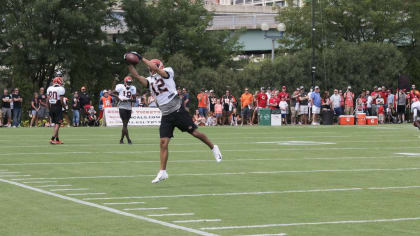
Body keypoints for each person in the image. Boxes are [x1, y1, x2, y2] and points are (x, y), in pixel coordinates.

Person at [126, 53, 222, 183]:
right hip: (166, 114)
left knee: (195, 132)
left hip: (177, 110)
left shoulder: (167, 72)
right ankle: (163, 172)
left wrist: (141, 58)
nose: (151, 69)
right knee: (163, 143)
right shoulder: (150, 81)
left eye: (153, 67)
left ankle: (213, 147)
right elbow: (137, 76)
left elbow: (158, 70)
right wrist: (129, 63)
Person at [112, 76, 136, 144]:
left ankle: (121, 139)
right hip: (122, 106)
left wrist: (128, 99)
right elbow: (111, 93)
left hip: (129, 107)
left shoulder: (133, 88)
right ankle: (128, 139)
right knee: (125, 124)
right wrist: (118, 97)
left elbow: (134, 100)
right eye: (128, 82)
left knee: (125, 125)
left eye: (130, 82)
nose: (129, 83)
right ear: (125, 82)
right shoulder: (120, 87)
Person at [47, 77, 65, 144]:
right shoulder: (61, 89)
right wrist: (64, 107)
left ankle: (57, 139)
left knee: (55, 124)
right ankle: (52, 139)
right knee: (58, 124)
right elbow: (61, 100)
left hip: (52, 106)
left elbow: (47, 100)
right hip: (58, 107)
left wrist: (49, 108)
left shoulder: (49, 88)